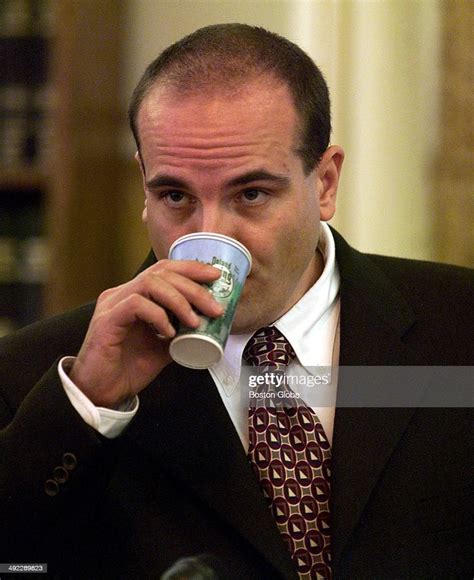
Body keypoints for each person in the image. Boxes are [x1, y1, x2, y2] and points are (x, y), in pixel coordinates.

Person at [0, 23, 472, 580]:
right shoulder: (44, 376)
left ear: (324, 183)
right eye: (175, 195)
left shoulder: (457, 327)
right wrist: (89, 407)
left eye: (251, 194)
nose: (213, 235)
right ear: (144, 188)